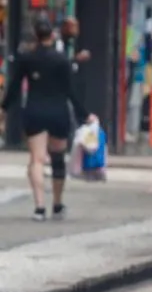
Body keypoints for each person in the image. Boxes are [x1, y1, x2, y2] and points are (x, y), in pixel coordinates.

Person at [0, 16, 90, 221]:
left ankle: (39, 207)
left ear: (35, 34)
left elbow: (14, 87)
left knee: (37, 160)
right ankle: (57, 204)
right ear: (52, 34)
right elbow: (70, 91)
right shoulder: (62, 60)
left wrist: (3, 108)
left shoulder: (27, 58)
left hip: (34, 111)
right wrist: (84, 115)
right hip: (58, 112)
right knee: (58, 160)